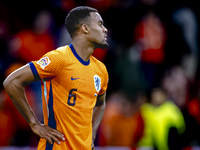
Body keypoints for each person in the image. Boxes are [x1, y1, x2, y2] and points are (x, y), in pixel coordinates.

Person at [3, 6, 109, 150]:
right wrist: (34, 124)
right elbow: (12, 82)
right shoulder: (59, 59)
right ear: (85, 28)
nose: (105, 29)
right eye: (100, 24)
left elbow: (100, 104)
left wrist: (93, 133)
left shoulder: (101, 70)